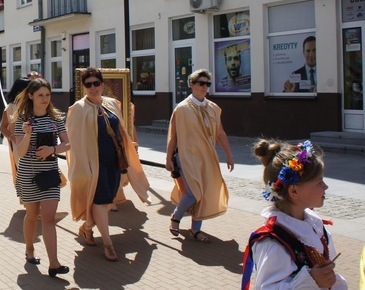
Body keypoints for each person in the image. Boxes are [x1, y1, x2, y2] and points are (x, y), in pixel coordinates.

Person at [66, 67, 152, 262]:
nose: (93, 87)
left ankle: (87, 228)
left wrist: (130, 151)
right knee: (100, 201)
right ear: (84, 87)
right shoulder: (78, 109)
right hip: (93, 165)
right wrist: (82, 168)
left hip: (114, 162)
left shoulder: (112, 103)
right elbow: (74, 141)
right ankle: (108, 244)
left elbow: (122, 131)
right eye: (88, 84)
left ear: (103, 84)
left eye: (96, 83)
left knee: (109, 201)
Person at [241, 140, 347, 289]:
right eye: (319, 182)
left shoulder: (316, 228)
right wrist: (312, 281)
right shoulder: (274, 242)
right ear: (294, 191)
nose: (326, 186)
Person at [165, 69, 234, 243]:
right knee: (194, 193)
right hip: (187, 157)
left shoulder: (213, 108)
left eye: (207, 84)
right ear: (192, 85)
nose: (204, 87)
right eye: (201, 83)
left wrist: (229, 154)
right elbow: (173, 136)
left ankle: (195, 230)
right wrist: (168, 158)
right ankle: (176, 217)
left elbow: (220, 133)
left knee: (204, 193)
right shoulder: (182, 109)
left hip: (207, 158)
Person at [13, 78, 70, 277]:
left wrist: (52, 149)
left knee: (48, 219)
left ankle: (54, 263)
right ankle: (29, 248)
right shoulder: (22, 120)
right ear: (31, 96)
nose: (45, 99)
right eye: (40, 95)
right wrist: (28, 135)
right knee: (31, 215)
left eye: (47, 95)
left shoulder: (56, 118)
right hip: (28, 173)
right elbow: (19, 153)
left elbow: (67, 144)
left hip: (49, 173)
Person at [0, 77, 31, 186]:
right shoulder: (10, 108)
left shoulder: (34, 105)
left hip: (35, 146)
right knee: (24, 177)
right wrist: (13, 137)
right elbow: (2, 127)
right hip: (19, 147)